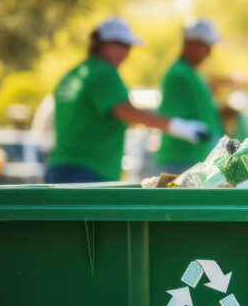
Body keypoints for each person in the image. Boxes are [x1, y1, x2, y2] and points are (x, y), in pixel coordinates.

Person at [45, 17, 209, 183]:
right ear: (106, 44)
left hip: (58, 168)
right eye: (123, 46)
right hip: (87, 171)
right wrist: (179, 127)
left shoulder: (73, 74)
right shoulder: (104, 73)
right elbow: (127, 112)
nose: (127, 53)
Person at [154, 19, 226, 174]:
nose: (209, 53)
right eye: (205, 47)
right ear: (191, 43)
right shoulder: (178, 74)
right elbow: (171, 116)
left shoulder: (190, 73)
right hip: (180, 160)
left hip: (194, 159)